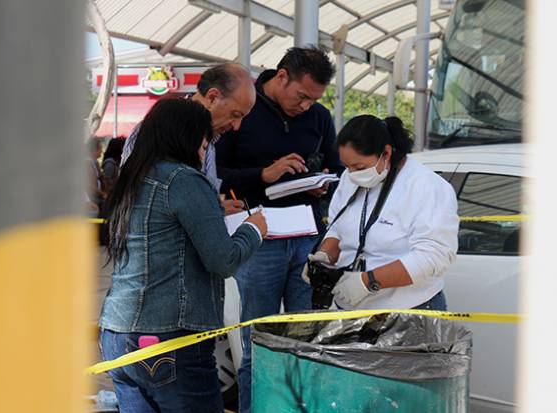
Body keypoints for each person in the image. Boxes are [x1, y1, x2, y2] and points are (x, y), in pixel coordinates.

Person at [98, 98, 267, 413]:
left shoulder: (132, 177)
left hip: (116, 336)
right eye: (204, 146)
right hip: (168, 337)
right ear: (187, 139)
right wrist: (253, 230)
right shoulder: (183, 179)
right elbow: (222, 260)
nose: (204, 156)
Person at [214, 46, 343, 413]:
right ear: (281, 76)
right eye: (301, 96)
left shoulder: (319, 117)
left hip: (306, 237)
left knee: (306, 343)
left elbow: (336, 169)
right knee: (257, 343)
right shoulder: (244, 110)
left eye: (313, 99)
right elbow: (216, 175)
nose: (305, 106)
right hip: (257, 240)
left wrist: (322, 183)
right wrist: (264, 175)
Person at [302, 114, 459, 312]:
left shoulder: (426, 187)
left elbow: (432, 256)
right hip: (350, 309)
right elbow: (337, 229)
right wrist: (324, 256)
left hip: (407, 310)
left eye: (359, 167)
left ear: (386, 152)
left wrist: (367, 281)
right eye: (347, 167)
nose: (351, 174)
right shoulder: (350, 179)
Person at [120, 63, 256, 215]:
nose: (236, 126)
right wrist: (213, 210)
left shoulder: (209, 140)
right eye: (235, 115)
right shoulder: (158, 129)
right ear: (212, 97)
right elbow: (143, 203)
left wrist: (216, 206)